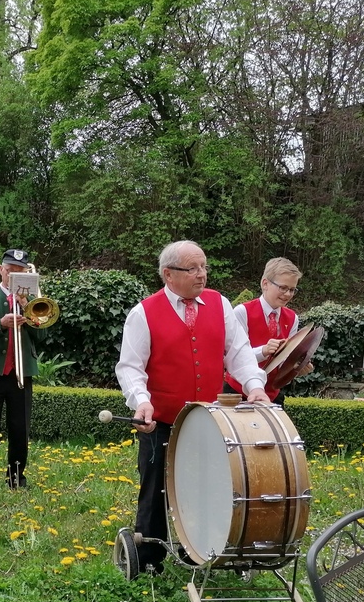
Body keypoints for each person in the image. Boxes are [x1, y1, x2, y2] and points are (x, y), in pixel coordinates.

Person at [115, 240, 269, 573]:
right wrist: (141, 402)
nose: (202, 275)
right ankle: (149, 562)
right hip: (162, 419)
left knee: (210, 484)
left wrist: (255, 387)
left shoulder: (221, 304)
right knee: (154, 487)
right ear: (168, 274)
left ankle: (202, 550)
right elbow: (130, 367)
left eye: (204, 267)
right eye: (193, 269)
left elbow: (240, 353)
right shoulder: (143, 313)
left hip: (209, 419)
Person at [0, 249, 47, 488]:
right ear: (1, 270)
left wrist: (28, 308)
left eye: (20, 271)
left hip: (21, 373)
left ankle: (16, 476)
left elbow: (42, 336)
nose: (14, 274)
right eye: (11, 269)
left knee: (19, 428)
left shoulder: (33, 302)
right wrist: (1, 324)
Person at [224, 257, 303, 404]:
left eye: (292, 290)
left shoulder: (293, 318)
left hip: (272, 395)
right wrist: (263, 351)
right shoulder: (242, 312)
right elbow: (234, 355)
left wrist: (297, 367)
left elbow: (283, 363)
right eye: (283, 288)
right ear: (265, 283)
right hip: (237, 393)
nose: (287, 294)